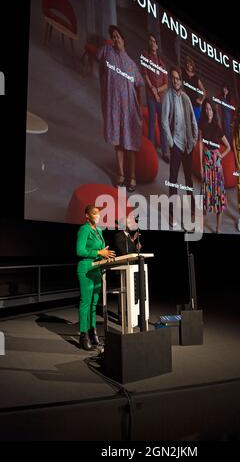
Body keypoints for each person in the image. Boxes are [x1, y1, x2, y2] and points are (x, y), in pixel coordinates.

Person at [97, 25, 144, 192]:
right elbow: (99, 63)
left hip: (129, 109)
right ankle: (121, 174)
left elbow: (139, 85)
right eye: (113, 36)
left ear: (124, 40)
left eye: (118, 36)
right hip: (114, 107)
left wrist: (138, 107)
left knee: (130, 144)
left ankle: (132, 176)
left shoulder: (131, 64)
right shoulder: (107, 52)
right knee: (118, 142)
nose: (115, 39)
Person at [161, 67, 198, 224]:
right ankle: (172, 213)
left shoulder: (186, 97)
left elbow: (192, 119)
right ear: (171, 79)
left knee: (189, 180)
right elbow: (164, 121)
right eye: (173, 78)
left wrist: (194, 138)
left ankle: (192, 209)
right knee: (173, 179)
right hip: (176, 143)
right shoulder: (168, 96)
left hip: (187, 144)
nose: (176, 81)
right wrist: (170, 142)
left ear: (182, 81)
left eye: (178, 78)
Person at [76, 205, 115, 350]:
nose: (97, 216)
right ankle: (83, 335)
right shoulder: (84, 229)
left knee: (94, 305)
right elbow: (79, 250)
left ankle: (93, 332)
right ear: (87, 216)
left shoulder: (99, 231)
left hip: (97, 270)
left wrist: (104, 253)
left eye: (98, 214)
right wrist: (99, 252)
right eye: (94, 214)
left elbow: (101, 250)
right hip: (86, 269)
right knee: (86, 302)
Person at [199, 99, 231, 233]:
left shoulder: (217, 127)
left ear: (213, 110)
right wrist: (200, 164)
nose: (208, 111)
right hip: (206, 161)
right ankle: (201, 227)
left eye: (210, 109)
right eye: (206, 109)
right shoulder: (202, 124)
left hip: (216, 163)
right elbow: (200, 143)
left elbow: (228, 147)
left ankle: (218, 229)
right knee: (206, 195)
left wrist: (220, 156)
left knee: (218, 196)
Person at [142, 34, 169, 163]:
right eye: (150, 41)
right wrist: (153, 90)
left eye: (154, 41)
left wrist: (158, 91)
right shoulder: (146, 56)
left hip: (160, 98)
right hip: (151, 96)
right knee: (152, 121)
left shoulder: (162, 63)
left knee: (163, 124)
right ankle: (150, 150)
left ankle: (165, 152)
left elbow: (166, 84)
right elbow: (145, 74)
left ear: (157, 45)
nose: (152, 43)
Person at [181, 56, 206, 123]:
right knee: (186, 122)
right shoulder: (182, 72)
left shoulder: (196, 78)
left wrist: (201, 101)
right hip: (186, 101)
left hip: (195, 103)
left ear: (193, 66)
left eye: (190, 64)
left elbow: (204, 91)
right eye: (187, 64)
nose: (189, 66)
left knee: (195, 123)